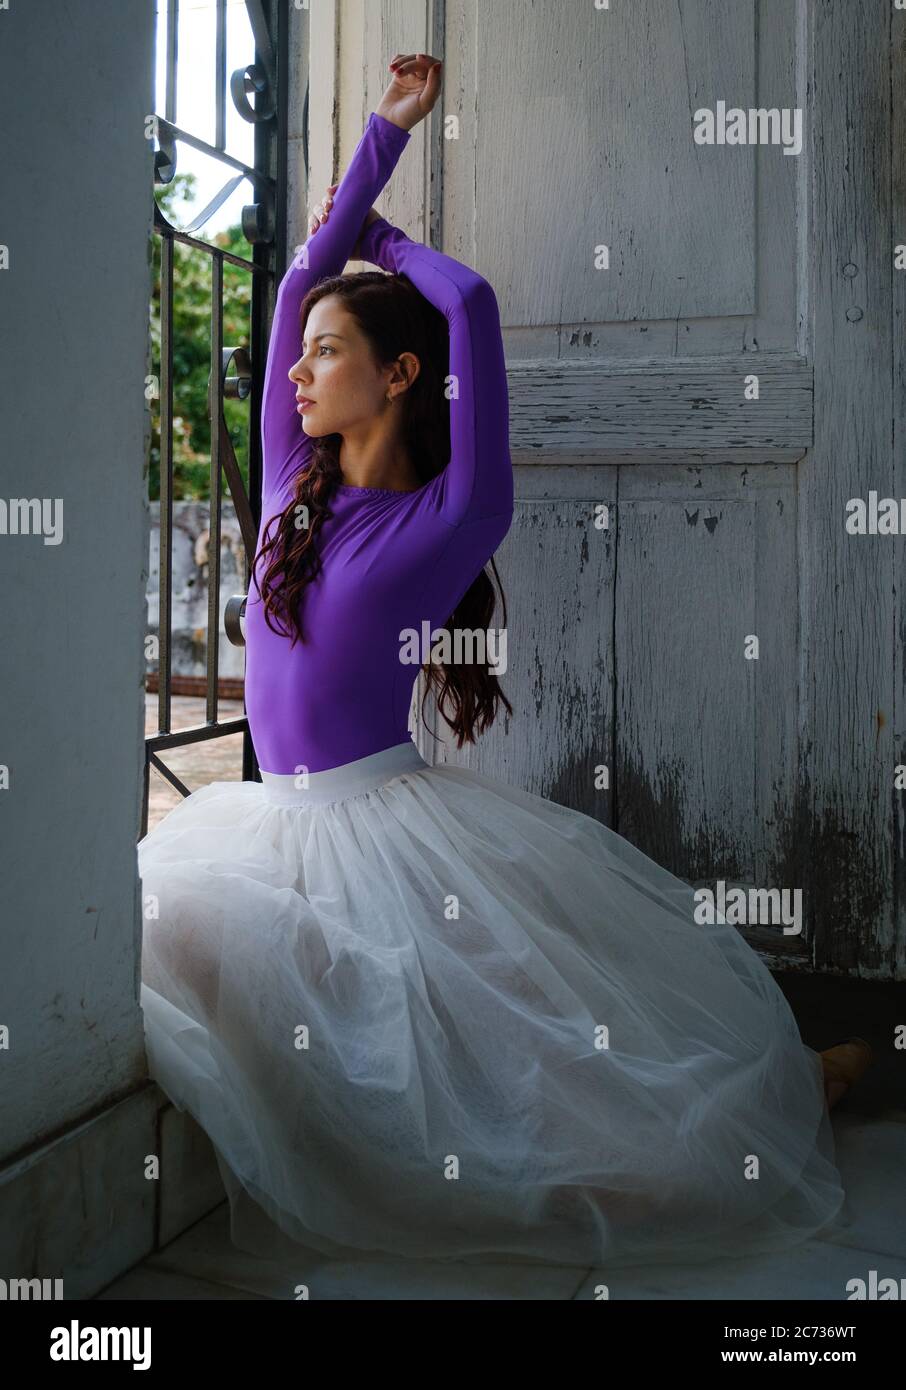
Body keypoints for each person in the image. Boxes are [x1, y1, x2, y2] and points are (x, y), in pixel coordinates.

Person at [139, 54, 871, 1271]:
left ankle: (805, 1087)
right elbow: (291, 292)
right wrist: (373, 144)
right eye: (305, 356)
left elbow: (468, 304)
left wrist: (384, 226)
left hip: (386, 831)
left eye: (331, 353)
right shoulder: (284, 482)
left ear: (400, 373)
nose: (302, 368)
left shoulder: (450, 518)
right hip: (268, 828)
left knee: (550, 1096)